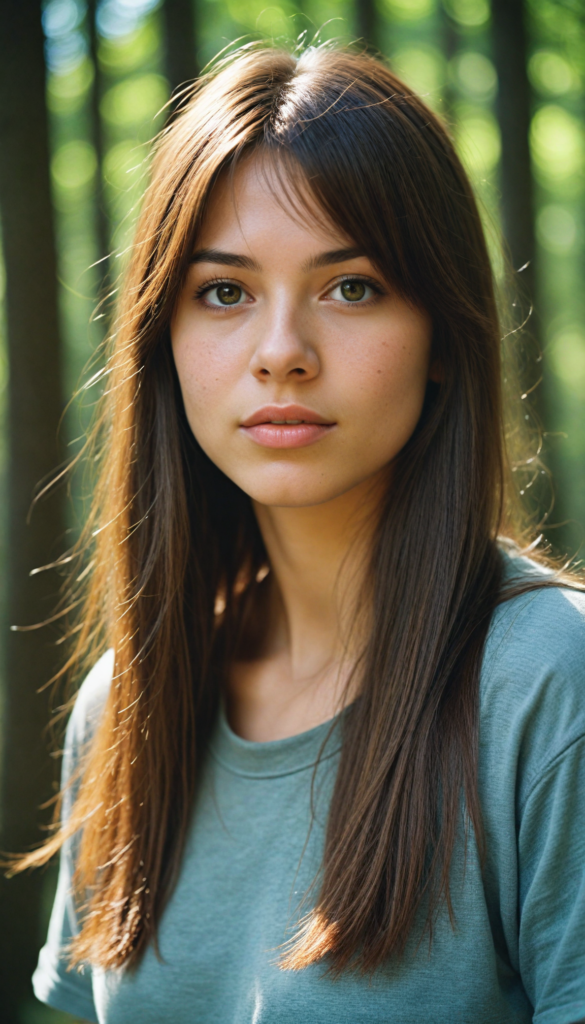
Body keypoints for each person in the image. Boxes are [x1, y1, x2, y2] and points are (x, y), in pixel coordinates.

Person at [21, 44, 585, 1024]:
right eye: (225, 292)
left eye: (351, 286)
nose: (281, 352)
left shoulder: (548, 681)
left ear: (444, 335)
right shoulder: (123, 709)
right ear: (166, 343)